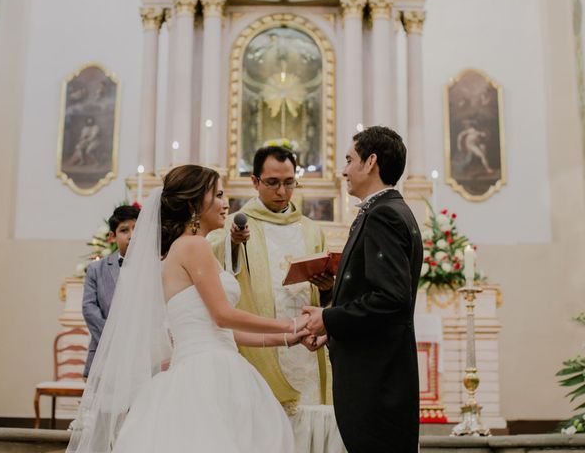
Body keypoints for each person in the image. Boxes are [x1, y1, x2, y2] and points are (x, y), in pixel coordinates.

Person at [68, 165, 309, 453]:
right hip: (210, 372)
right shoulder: (195, 246)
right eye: (218, 195)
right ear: (195, 204)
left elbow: (223, 330)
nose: (225, 204)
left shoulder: (179, 249)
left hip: (198, 365)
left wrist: (287, 338)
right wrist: (291, 324)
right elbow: (224, 315)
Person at [303, 126, 424, 453]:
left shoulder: (384, 214)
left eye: (349, 160)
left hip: (376, 382)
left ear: (370, 162)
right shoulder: (389, 210)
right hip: (379, 374)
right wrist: (335, 330)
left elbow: (391, 298)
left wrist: (329, 318)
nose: (343, 170)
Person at [208, 145, 334, 412]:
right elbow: (211, 270)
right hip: (259, 347)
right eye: (273, 183)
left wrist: (327, 288)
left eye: (289, 183)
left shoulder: (311, 230)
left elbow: (324, 295)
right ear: (255, 181)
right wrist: (232, 244)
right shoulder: (232, 226)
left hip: (305, 344)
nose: (282, 191)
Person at [82, 204, 139, 378]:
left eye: (136, 228)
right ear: (112, 237)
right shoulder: (96, 269)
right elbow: (89, 309)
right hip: (103, 356)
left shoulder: (156, 268)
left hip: (141, 357)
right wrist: (114, 341)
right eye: (124, 230)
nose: (132, 235)